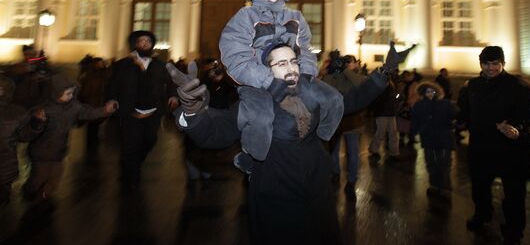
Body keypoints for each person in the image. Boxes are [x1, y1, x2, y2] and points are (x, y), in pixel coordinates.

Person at [167, 41, 412, 245]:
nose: (291, 68)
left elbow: (353, 100)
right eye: (282, 63)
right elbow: (215, 133)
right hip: (275, 203)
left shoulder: (314, 93)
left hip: (319, 197)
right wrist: (193, 112)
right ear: (266, 70)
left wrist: (387, 69)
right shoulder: (254, 102)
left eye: (293, 61)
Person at [219, 0, 342, 172]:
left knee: (334, 99)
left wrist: (305, 74)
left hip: (294, 76)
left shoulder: (295, 17)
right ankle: (253, 157)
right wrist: (267, 81)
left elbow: (304, 48)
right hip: (257, 83)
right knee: (261, 118)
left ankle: (318, 140)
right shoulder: (245, 17)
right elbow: (235, 57)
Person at [457, 46, 530, 245]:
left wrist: (515, 127)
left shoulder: (519, 85)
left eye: (495, 64)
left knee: (514, 195)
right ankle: (482, 215)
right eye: (486, 64)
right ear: (480, 64)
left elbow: (529, 114)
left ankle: (514, 232)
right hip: (482, 147)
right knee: (480, 187)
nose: (490, 68)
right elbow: (465, 111)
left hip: (510, 148)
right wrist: (461, 122)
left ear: (503, 64)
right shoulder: (472, 85)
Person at [22, 73, 117, 201]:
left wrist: (105, 110)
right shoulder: (45, 109)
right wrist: (37, 121)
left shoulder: (74, 106)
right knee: (39, 176)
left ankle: (44, 196)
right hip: (41, 153)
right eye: (67, 93)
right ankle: (29, 190)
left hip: (58, 152)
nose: (71, 96)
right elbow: (28, 130)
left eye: (72, 93)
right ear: (56, 92)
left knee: (56, 177)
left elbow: (88, 112)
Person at [107, 30, 178, 189]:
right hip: (130, 111)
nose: (145, 43)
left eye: (148, 41)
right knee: (130, 144)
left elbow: (171, 82)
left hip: (152, 111)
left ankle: (135, 163)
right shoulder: (122, 64)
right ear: (135, 44)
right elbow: (113, 85)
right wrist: (111, 99)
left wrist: (173, 95)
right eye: (141, 41)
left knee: (149, 140)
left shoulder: (160, 65)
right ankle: (129, 176)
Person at [322, 52, 366, 200]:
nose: (347, 64)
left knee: (353, 152)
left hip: (352, 120)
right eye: (344, 61)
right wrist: (332, 70)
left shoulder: (357, 76)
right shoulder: (336, 76)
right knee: (333, 151)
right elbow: (326, 87)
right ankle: (335, 172)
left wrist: (347, 70)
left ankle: (351, 180)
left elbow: (362, 85)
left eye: (350, 61)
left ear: (356, 64)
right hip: (336, 119)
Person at [0, 74, 46, 205]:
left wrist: (37, 123)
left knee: (3, 197)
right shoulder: (17, 112)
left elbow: (25, 135)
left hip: (5, 165)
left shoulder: (16, 112)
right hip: (7, 165)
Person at [411, 82, 457, 198]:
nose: (430, 94)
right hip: (428, 138)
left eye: (432, 91)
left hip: (444, 139)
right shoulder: (419, 105)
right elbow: (415, 120)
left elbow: (456, 115)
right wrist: (414, 132)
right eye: (427, 91)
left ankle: (445, 187)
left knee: (444, 164)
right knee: (431, 162)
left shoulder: (446, 104)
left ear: (437, 92)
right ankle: (434, 185)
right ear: (423, 93)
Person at [368, 79, 400, 160]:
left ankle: (394, 153)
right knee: (381, 133)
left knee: (393, 133)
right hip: (381, 113)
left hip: (390, 113)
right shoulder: (379, 88)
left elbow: (396, 97)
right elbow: (374, 101)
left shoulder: (391, 88)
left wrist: (397, 97)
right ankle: (374, 149)